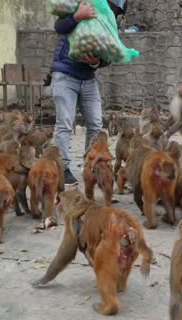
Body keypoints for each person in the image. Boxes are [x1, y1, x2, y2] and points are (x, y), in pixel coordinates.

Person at [51, 0, 128, 186]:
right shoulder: (83, 5)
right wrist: (77, 17)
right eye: (111, 6)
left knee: (95, 123)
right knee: (65, 123)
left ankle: (91, 166)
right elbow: (59, 27)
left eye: (116, 10)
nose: (112, 11)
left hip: (88, 79)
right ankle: (63, 169)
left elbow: (109, 56)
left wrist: (95, 62)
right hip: (65, 75)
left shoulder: (109, 23)